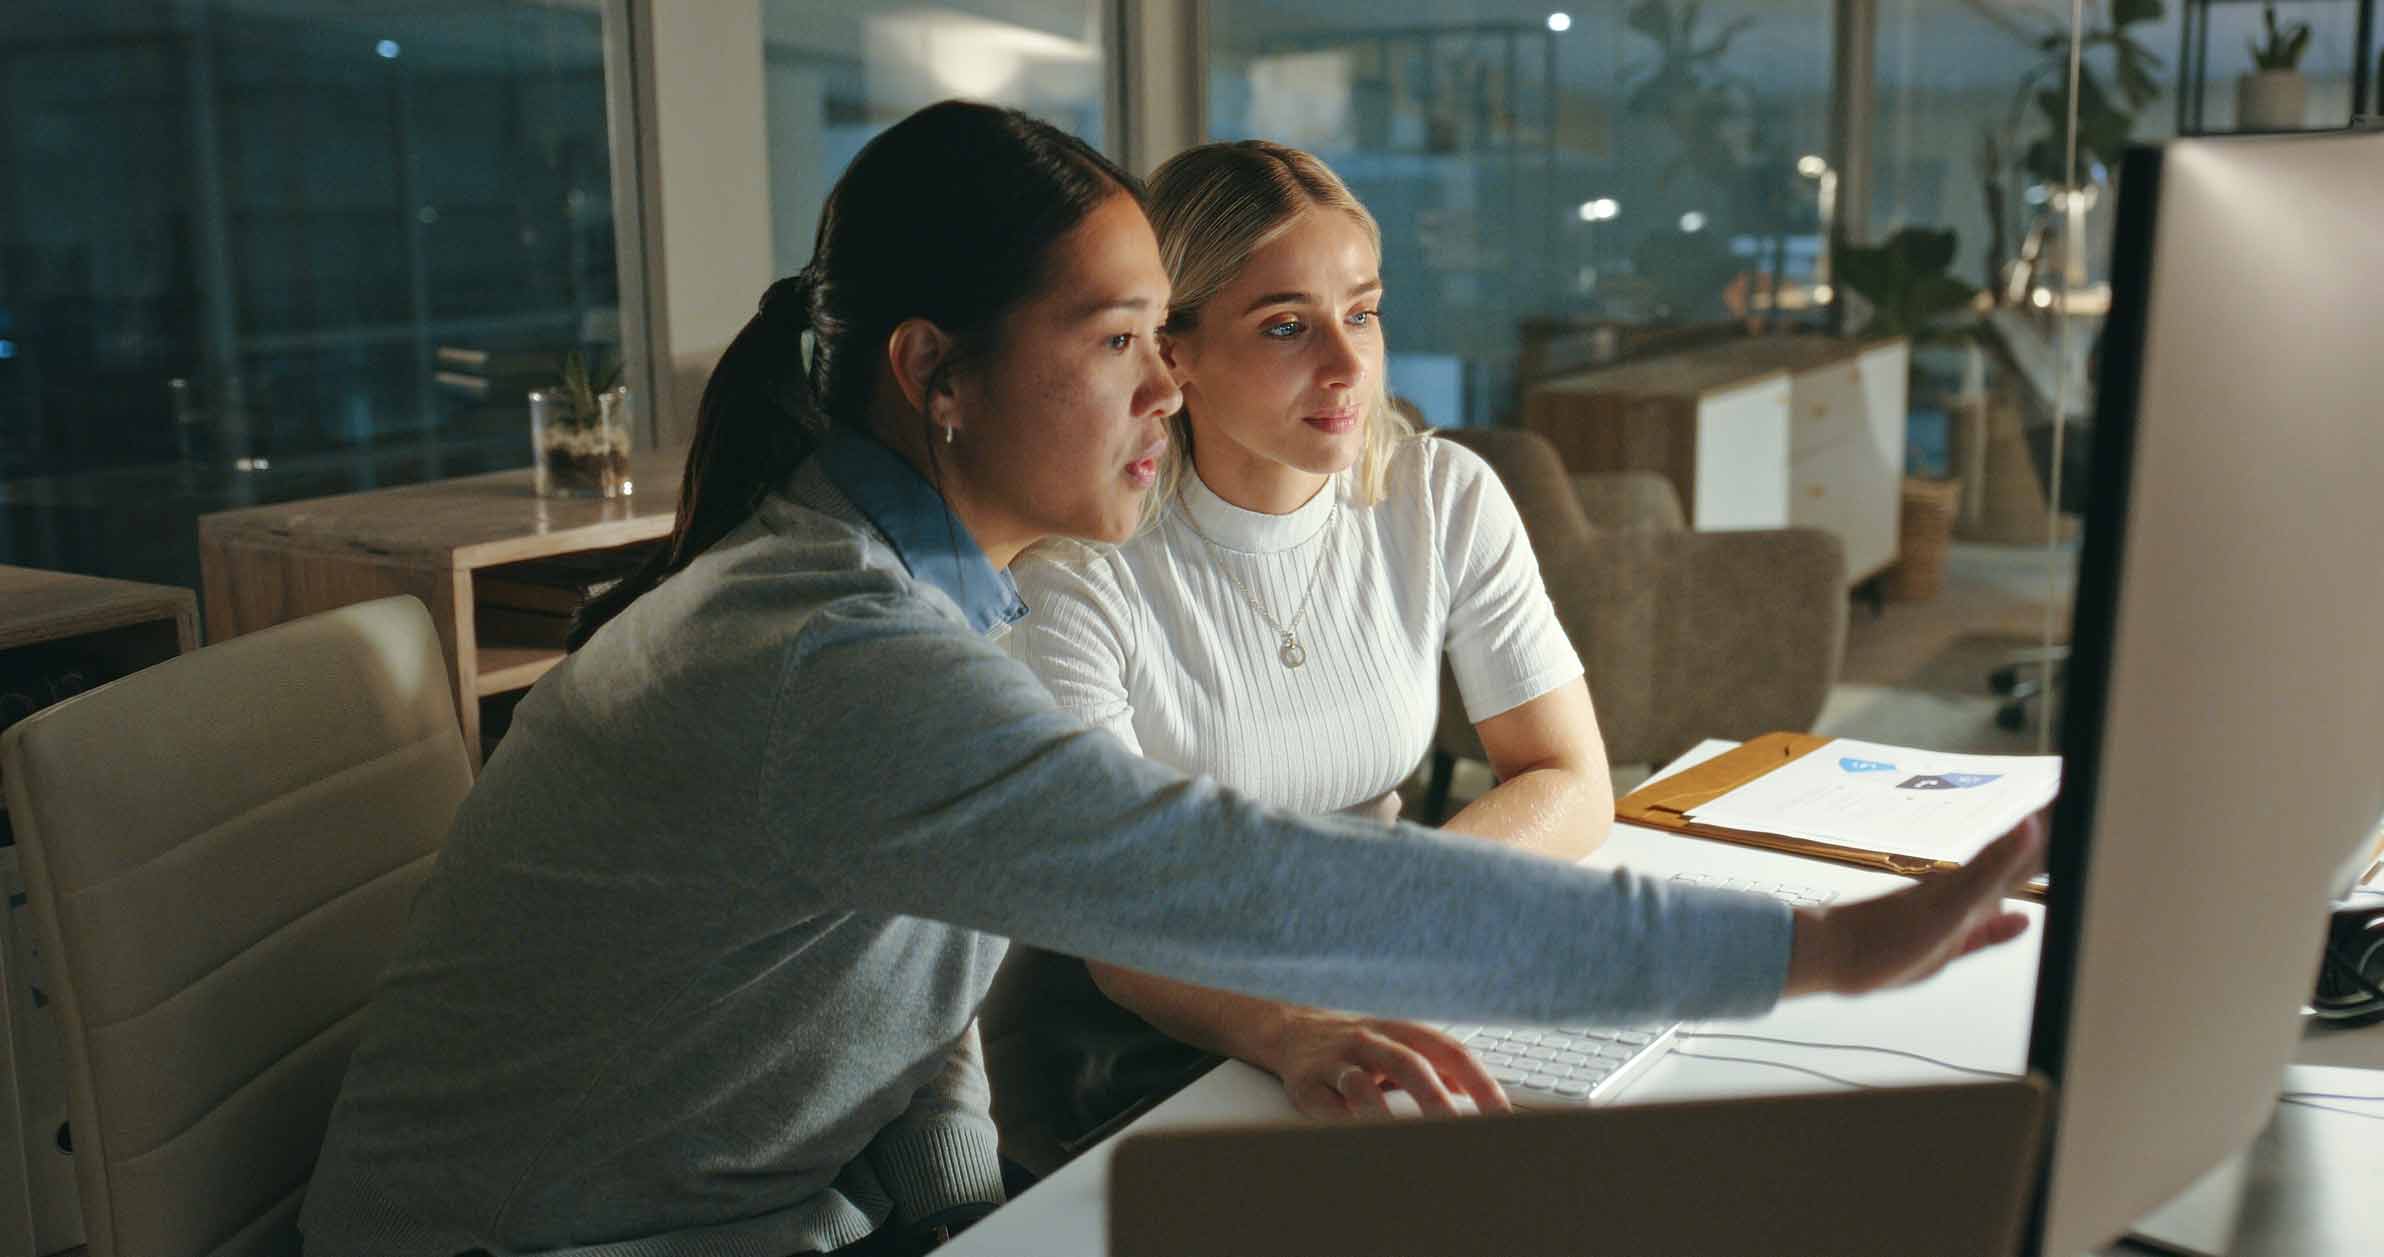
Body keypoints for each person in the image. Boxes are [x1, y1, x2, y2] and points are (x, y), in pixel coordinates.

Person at [299, 102, 2042, 1257]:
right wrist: (1802, 951)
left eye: (1158, 339)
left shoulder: (924, 599)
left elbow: (917, 1040)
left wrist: (983, 1229)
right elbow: (1243, 887)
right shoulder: (836, 653)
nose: (1161, 392)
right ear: (937, 374)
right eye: (1121, 341)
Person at [991, 140, 1612, 1161]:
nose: (1348, 364)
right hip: (1139, 1047)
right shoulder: (1081, 571)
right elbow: (1116, 924)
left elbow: (1569, 778)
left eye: (1360, 312)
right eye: (1287, 325)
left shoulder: (1438, 495)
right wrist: (1299, 1018)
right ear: (1172, 350)